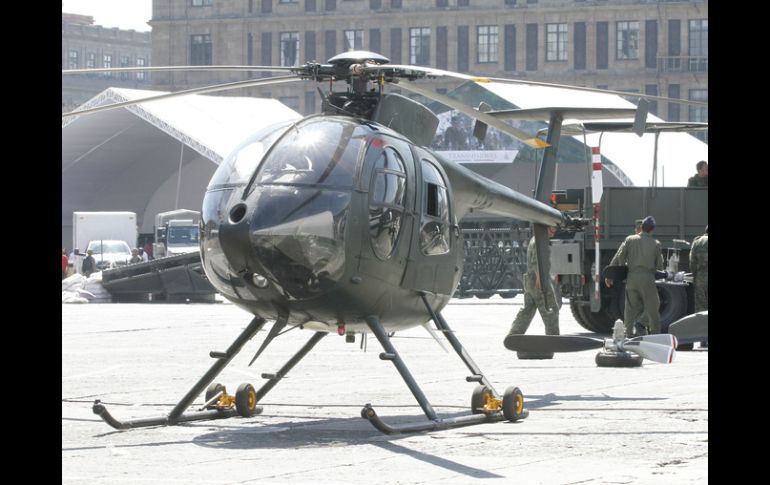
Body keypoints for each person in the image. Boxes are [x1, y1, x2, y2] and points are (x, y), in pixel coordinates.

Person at [605, 216, 664, 337]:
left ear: (640, 228)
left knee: (630, 308)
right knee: (653, 305)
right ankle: (654, 333)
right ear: (652, 230)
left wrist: (623, 269)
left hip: (631, 277)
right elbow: (659, 266)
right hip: (647, 277)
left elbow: (620, 255)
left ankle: (628, 334)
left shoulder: (630, 239)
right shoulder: (655, 243)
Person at [507, 226, 560, 337]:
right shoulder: (540, 241)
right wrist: (540, 278)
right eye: (552, 229)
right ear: (545, 228)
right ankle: (553, 338)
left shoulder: (534, 239)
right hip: (538, 280)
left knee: (528, 309)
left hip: (530, 280)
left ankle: (514, 334)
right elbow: (537, 261)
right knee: (551, 309)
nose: (554, 233)